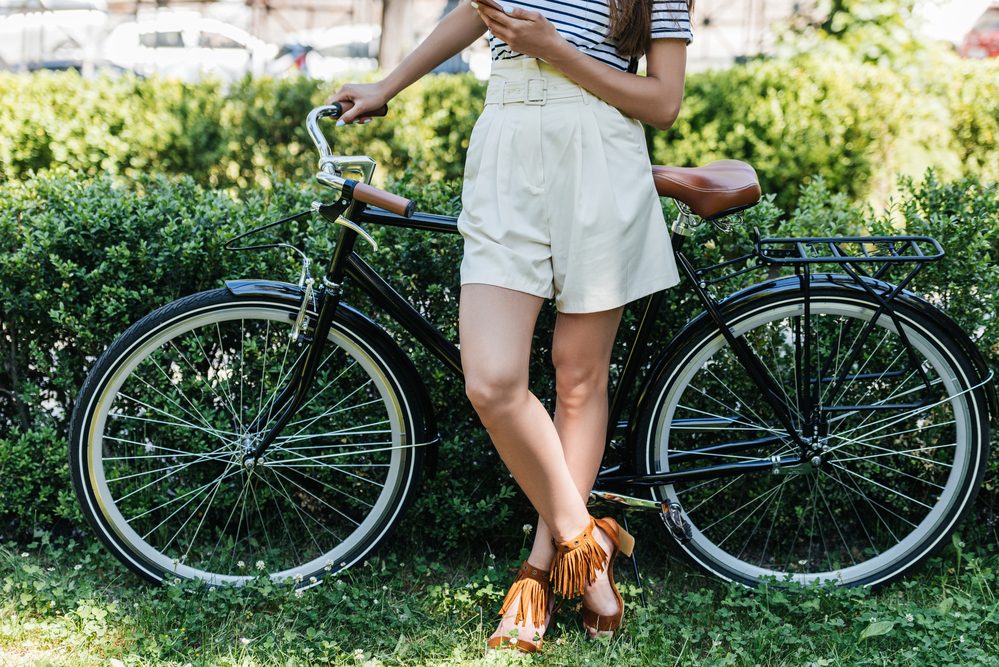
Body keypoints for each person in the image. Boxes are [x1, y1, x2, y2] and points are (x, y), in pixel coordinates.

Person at [328, 0, 693, 653]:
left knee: (578, 378)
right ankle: (588, 545)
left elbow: (663, 102)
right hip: (506, 143)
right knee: (491, 381)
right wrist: (387, 86)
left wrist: (555, 48)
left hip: (600, 154)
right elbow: (475, 12)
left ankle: (540, 571)